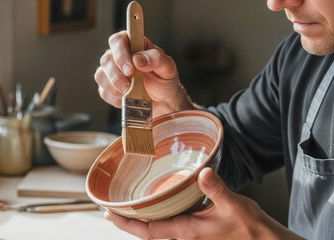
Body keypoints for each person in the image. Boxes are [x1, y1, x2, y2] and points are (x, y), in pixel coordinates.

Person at [94, 0, 334, 239]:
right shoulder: (302, 59)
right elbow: (233, 148)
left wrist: (260, 234)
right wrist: (170, 110)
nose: (276, 4)